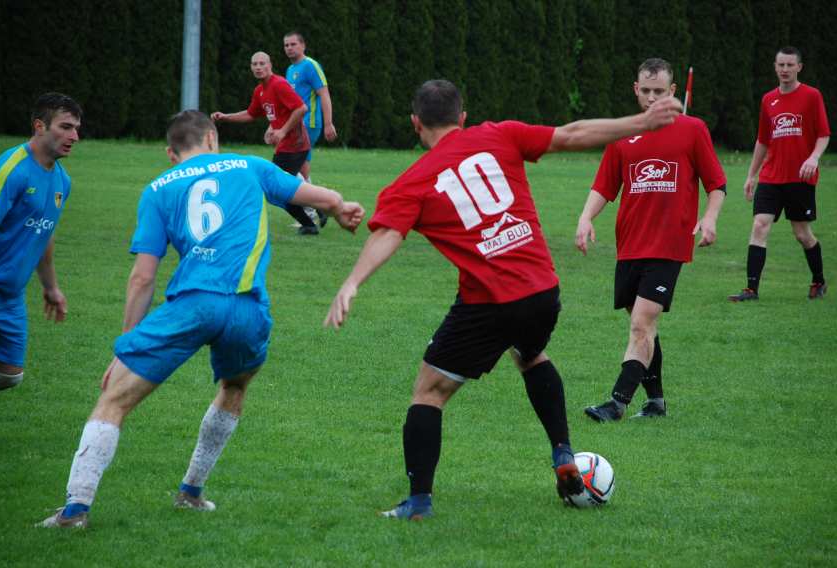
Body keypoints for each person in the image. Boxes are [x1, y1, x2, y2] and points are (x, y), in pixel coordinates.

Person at [324, 79, 681, 519]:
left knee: (428, 394)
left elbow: (389, 234)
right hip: (543, 290)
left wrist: (353, 282)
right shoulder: (500, 133)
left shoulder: (411, 182)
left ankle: (418, 503)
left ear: (416, 124)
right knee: (530, 353)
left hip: (489, 302)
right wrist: (641, 122)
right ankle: (562, 451)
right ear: (463, 117)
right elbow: (571, 134)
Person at [39, 110, 364, 528]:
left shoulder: (158, 188)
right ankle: (191, 491)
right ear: (212, 138)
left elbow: (142, 278)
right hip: (247, 309)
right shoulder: (249, 165)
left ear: (171, 154)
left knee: (114, 399)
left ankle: (75, 510)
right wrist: (340, 208)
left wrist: (127, 346)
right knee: (234, 386)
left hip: (192, 304)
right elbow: (316, 196)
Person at [576, 58, 726, 422]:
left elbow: (716, 184)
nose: (652, 97)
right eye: (646, 91)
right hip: (630, 245)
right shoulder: (623, 134)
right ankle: (656, 401)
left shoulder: (693, 129)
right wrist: (585, 217)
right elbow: (605, 186)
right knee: (645, 327)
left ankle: (616, 403)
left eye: (660, 91)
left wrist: (709, 218)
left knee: (641, 324)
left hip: (669, 245)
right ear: (636, 90)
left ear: (673, 92)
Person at [0, 92, 81, 394]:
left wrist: (50, 287)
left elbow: (44, 234)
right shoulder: (12, 169)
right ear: (39, 126)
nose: (74, 136)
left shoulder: (62, 181)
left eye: (76, 128)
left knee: (8, 374)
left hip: (10, 293)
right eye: (65, 127)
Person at [728, 46, 831, 302]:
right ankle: (751, 289)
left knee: (802, 234)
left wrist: (813, 158)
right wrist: (752, 175)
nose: (785, 70)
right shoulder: (768, 100)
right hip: (772, 177)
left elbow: (823, 134)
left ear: (799, 67)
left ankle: (818, 281)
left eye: (789, 65)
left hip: (800, 178)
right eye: (780, 65)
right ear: (775, 67)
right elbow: (763, 140)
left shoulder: (811, 96)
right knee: (760, 225)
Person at [211, 51, 321, 235]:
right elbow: (251, 114)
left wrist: (283, 131)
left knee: (275, 188)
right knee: (280, 188)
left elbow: (301, 108)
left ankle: (310, 220)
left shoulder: (279, 85)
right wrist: (225, 117)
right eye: (255, 64)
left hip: (295, 145)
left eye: (262, 63)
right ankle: (317, 212)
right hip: (285, 147)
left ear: (270, 65)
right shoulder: (260, 90)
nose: (258, 67)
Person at [284, 31, 337, 229]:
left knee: (288, 166)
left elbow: (324, 94)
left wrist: (329, 123)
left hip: (308, 124)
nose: (289, 48)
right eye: (286, 45)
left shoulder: (311, 65)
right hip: (295, 125)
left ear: (303, 45)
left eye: (293, 44)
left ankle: (312, 209)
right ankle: (317, 208)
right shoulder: (290, 69)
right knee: (301, 170)